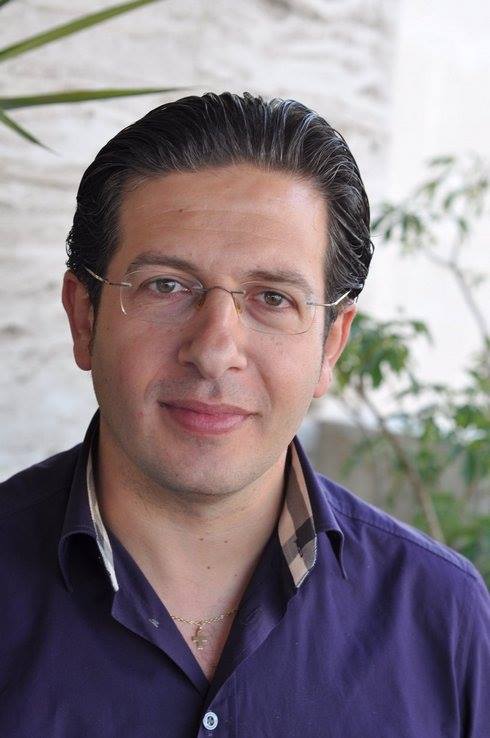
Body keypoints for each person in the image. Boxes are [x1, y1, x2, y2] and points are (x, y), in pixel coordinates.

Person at [0, 92, 488, 738]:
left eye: (272, 298)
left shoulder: (443, 619)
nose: (213, 351)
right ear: (84, 318)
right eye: (166, 285)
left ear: (331, 345)